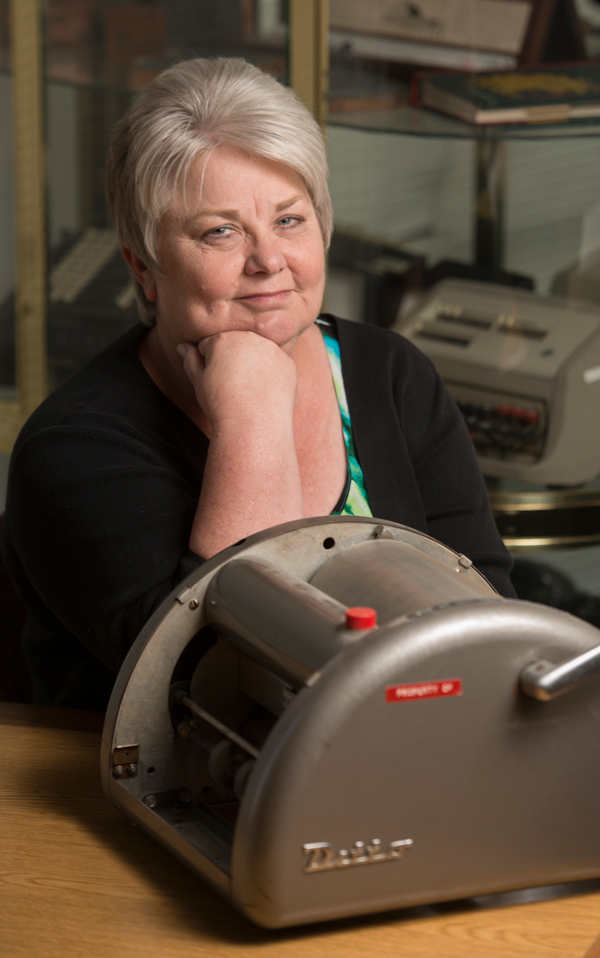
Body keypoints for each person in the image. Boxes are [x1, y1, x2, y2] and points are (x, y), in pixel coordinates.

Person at [1, 58, 514, 711]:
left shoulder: (390, 374)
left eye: (290, 220)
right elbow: (217, 690)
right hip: (167, 801)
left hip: (417, 758)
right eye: (220, 231)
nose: (268, 261)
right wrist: (253, 419)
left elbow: (490, 617)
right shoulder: (73, 451)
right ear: (145, 266)